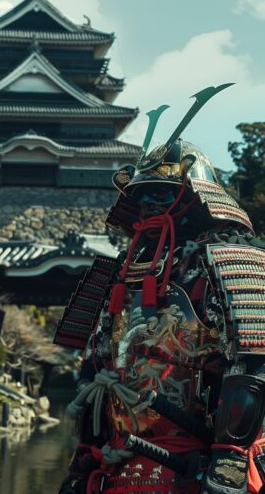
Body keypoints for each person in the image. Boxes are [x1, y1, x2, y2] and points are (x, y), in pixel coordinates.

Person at [55, 85, 265, 494]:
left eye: (163, 193)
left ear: (198, 196)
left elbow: (254, 367)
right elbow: (96, 371)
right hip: (122, 455)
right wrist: (85, 452)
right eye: (142, 194)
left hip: (204, 457)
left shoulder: (238, 262)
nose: (151, 203)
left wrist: (229, 459)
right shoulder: (116, 273)